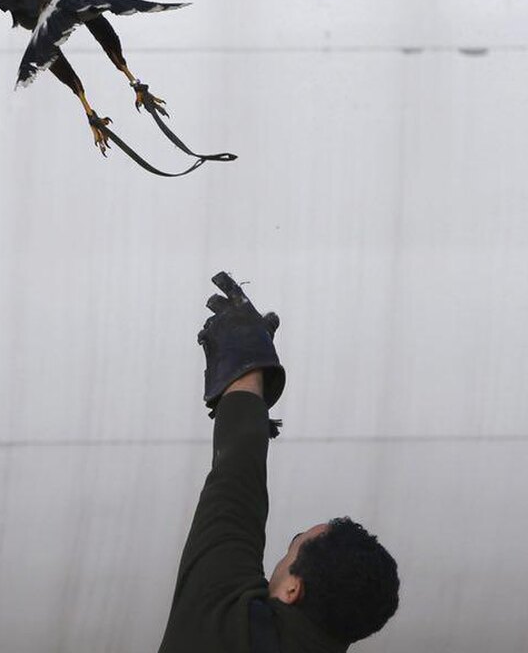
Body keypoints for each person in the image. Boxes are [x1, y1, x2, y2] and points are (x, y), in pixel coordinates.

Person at [157, 273, 400, 653]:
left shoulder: (228, 628)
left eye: (292, 547)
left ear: (292, 589)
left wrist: (247, 366)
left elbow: (235, 488)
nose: (283, 555)